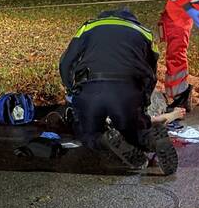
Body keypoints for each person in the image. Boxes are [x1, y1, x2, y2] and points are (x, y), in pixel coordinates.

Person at [59, 9, 178, 174]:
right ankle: (150, 138)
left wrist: (71, 89)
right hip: (128, 91)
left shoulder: (88, 27)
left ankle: (104, 139)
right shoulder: (145, 33)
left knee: (87, 133)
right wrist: (143, 101)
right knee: (133, 130)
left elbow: (65, 63)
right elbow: (151, 74)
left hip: (91, 89)